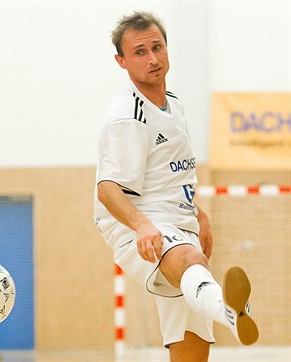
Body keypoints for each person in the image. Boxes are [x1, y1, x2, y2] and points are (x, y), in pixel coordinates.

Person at [93, 11, 258, 362]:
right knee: (189, 258)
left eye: (158, 47)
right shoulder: (127, 116)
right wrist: (141, 225)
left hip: (178, 221)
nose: (153, 58)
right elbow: (106, 189)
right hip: (136, 225)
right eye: (140, 52)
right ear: (121, 61)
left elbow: (170, 174)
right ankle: (229, 310)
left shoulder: (175, 104)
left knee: (193, 345)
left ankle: (219, 306)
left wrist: (199, 214)